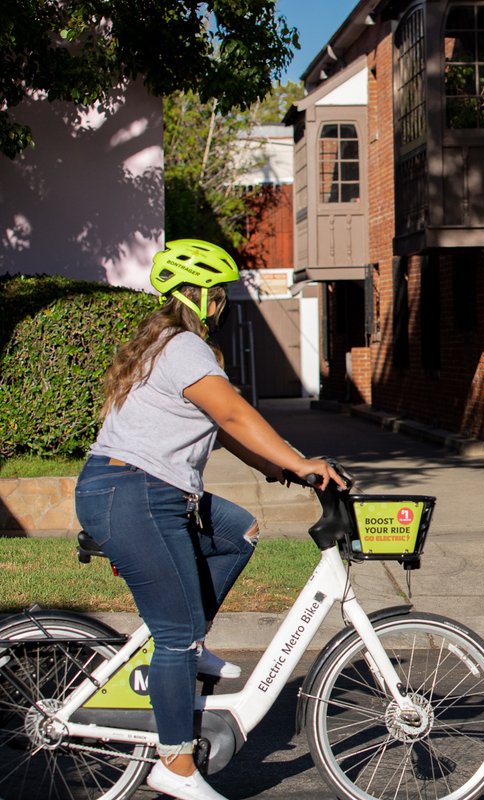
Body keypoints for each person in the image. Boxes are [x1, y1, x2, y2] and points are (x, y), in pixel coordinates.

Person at [74, 239, 344, 800]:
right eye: (217, 296)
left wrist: (282, 469)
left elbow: (221, 430)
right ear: (198, 297)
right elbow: (234, 414)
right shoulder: (183, 347)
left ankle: (188, 645)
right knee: (174, 635)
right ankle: (175, 766)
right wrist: (301, 462)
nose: (220, 306)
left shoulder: (167, 346)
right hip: (136, 494)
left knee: (238, 530)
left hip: (141, 491)